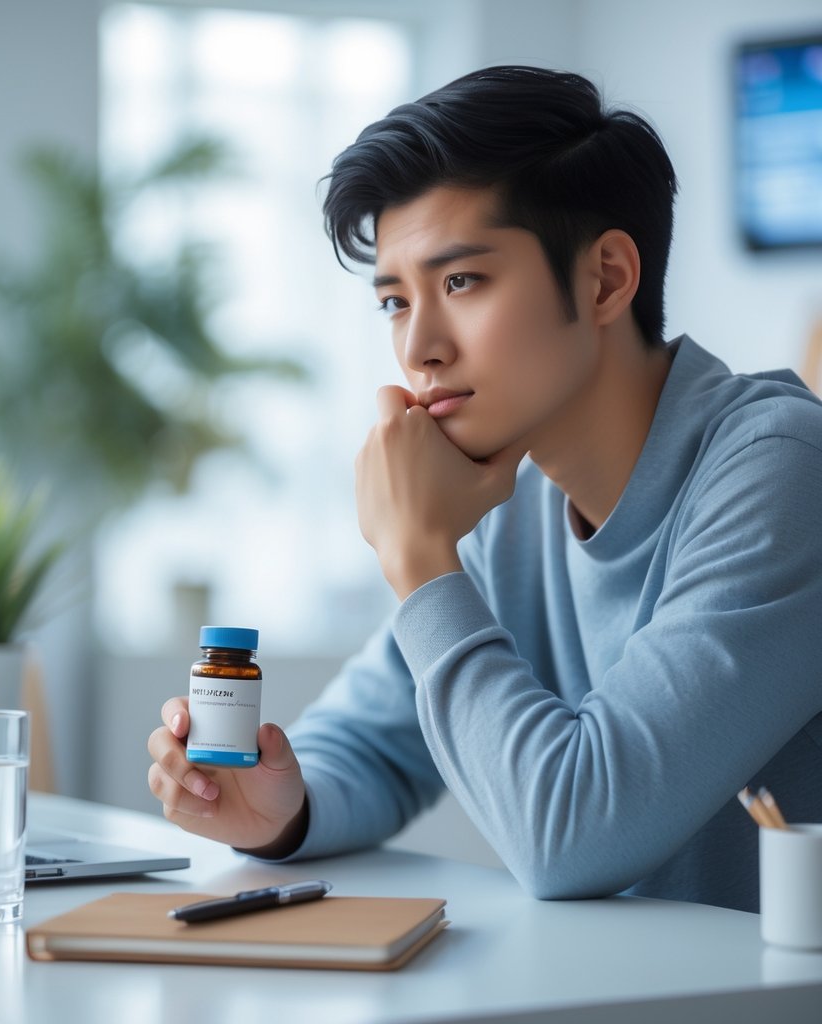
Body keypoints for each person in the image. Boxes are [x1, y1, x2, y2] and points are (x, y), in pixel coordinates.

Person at [147, 66, 822, 912]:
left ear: (607, 278)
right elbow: (377, 739)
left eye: (461, 282)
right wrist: (281, 808)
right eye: (395, 300)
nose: (419, 348)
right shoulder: (514, 498)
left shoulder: (784, 467)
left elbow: (573, 836)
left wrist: (420, 559)